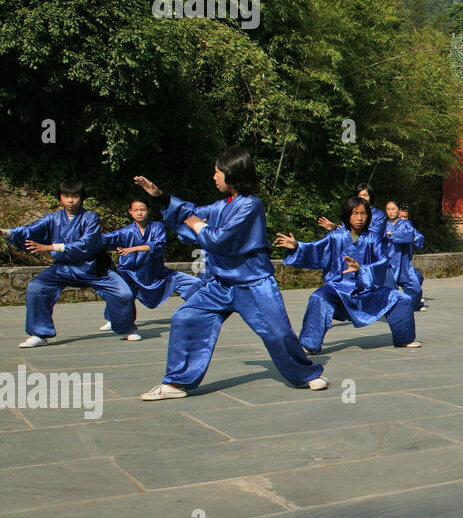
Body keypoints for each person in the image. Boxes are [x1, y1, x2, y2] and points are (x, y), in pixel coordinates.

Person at [134, 148, 327, 400]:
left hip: (254, 284)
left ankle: (306, 375)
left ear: (232, 173)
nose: (213, 176)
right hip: (221, 283)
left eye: (217, 172)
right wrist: (162, 196)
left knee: (278, 333)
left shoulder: (251, 206)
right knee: (186, 317)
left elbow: (217, 239)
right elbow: (191, 210)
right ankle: (177, 382)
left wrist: (196, 224)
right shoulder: (222, 205)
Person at [2, 180, 140, 346]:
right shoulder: (52, 218)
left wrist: (51, 247)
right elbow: (30, 231)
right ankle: (39, 334)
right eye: (66, 196)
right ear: (60, 198)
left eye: (75, 196)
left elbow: (86, 244)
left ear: (81, 198)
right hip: (63, 268)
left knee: (123, 293)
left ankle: (127, 329)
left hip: (93, 268)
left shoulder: (91, 217)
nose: (70, 200)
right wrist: (5, 233)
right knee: (37, 287)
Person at [276, 196, 420, 352]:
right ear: (347, 214)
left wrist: (362, 270)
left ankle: (404, 338)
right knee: (318, 297)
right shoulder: (336, 236)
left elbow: (383, 262)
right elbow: (316, 249)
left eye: (363, 214)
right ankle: (309, 343)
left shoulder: (373, 238)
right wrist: (297, 246)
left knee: (402, 299)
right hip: (338, 287)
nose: (359, 218)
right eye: (355, 213)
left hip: (367, 288)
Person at [98, 197, 201, 331]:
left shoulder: (158, 227)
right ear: (130, 212)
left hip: (156, 272)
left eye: (142, 210)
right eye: (136, 210)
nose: (139, 213)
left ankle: (200, 312)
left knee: (193, 283)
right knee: (120, 292)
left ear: (148, 211)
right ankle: (114, 319)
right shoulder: (124, 232)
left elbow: (158, 245)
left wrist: (134, 248)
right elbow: (104, 240)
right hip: (130, 272)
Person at [381, 200, 426, 311]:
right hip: (389, 263)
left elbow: (413, 235)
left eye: (393, 209)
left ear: (398, 210)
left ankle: (415, 305)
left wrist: (394, 235)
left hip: (404, 262)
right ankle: (389, 310)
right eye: (388, 209)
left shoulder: (406, 224)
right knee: (389, 289)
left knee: (415, 288)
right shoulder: (383, 226)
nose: (390, 212)